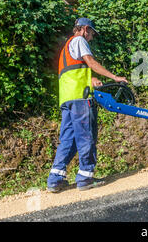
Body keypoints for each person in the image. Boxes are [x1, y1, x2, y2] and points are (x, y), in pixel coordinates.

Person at [47, 18, 128, 192]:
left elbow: (74, 72)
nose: (91, 37)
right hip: (81, 99)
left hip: (67, 99)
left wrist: (91, 80)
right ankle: (85, 177)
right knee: (86, 136)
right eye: (91, 33)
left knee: (68, 139)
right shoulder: (79, 40)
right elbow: (90, 62)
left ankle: (55, 179)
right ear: (84, 29)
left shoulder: (66, 48)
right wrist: (115, 77)